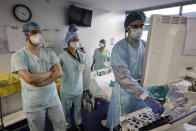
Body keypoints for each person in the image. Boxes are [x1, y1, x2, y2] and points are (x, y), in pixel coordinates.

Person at [106, 11, 164, 130]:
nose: (139, 29)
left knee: (140, 123)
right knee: (122, 125)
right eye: (135, 26)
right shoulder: (120, 47)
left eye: (141, 26)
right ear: (128, 27)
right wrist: (145, 96)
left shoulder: (144, 45)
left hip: (142, 90)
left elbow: (150, 66)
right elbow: (123, 77)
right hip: (125, 94)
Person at [11, 21, 66, 131]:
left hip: (53, 98)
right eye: (34, 32)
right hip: (34, 102)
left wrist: (42, 82)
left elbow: (59, 72)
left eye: (39, 32)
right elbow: (29, 79)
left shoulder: (49, 52)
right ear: (26, 35)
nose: (38, 35)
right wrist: (50, 73)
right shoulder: (18, 56)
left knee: (61, 124)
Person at [59, 32, 86, 131]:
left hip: (78, 87)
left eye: (77, 40)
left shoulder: (82, 55)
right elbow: (57, 71)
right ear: (68, 42)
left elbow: (83, 67)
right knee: (66, 110)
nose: (76, 42)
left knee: (78, 108)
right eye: (73, 40)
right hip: (66, 89)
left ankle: (79, 123)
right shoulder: (61, 56)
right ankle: (67, 125)